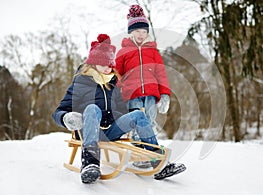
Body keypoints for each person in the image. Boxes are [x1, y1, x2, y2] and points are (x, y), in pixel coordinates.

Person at [52, 34, 186, 184]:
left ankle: (158, 162)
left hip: (111, 131)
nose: (108, 69)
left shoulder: (113, 83)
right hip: (89, 132)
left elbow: (121, 109)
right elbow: (58, 112)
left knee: (137, 115)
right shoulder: (81, 83)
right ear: (94, 63)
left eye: (110, 65)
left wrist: (122, 116)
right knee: (92, 108)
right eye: (104, 64)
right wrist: (66, 118)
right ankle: (90, 163)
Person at [115, 5, 171, 136]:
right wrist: (116, 92)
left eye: (144, 32)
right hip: (132, 92)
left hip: (151, 92)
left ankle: (150, 142)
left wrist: (165, 94)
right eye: (138, 31)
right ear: (131, 32)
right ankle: (136, 138)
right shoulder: (123, 52)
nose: (141, 34)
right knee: (136, 117)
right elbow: (117, 74)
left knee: (150, 118)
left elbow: (161, 74)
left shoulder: (153, 51)